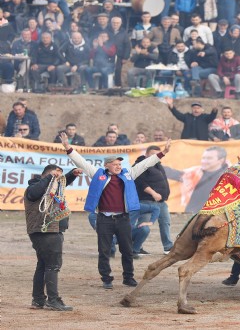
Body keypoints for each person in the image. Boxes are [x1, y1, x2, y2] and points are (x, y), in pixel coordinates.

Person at [60, 133, 171, 289]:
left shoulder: (128, 174)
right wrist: (67, 147)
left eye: (120, 164)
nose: (119, 166)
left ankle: (128, 277)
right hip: (104, 219)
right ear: (107, 165)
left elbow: (145, 164)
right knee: (104, 250)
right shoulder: (98, 174)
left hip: (123, 218)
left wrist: (163, 152)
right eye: (115, 164)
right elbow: (82, 162)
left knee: (127, 250)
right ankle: (106, 278)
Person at [24, 164, 81, 311]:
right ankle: (53, 300)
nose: (58, 179)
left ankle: (38, 300)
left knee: (43, 265)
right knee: (52, 266)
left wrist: (72, 174)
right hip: (46, 231)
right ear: (48, 175)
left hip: (47, 231)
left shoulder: (51, 187)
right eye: (56, 175)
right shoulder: (35, 187)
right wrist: (51, 177)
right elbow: (36, 191)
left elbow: (60, 183)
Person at [165, 146, 228, 213]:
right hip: (191, 216)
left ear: (221, 160)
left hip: (217, 217)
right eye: (203, 158)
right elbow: (173, 173)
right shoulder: (194, 173)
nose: (204, 161)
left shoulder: (230, 178)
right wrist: (155, 165)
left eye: (209, 158)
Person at [133, 145, 171, 255]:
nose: (156, 157)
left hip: (161, 202)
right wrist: (153, 193)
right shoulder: (140, 165)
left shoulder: (158, 165)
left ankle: (168, 247)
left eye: (157, 154)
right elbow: (140, 182)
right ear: (146, 154)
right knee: (143, 225)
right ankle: (136, 247)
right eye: (153, 154)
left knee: (165, 223)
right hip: (146, 201)